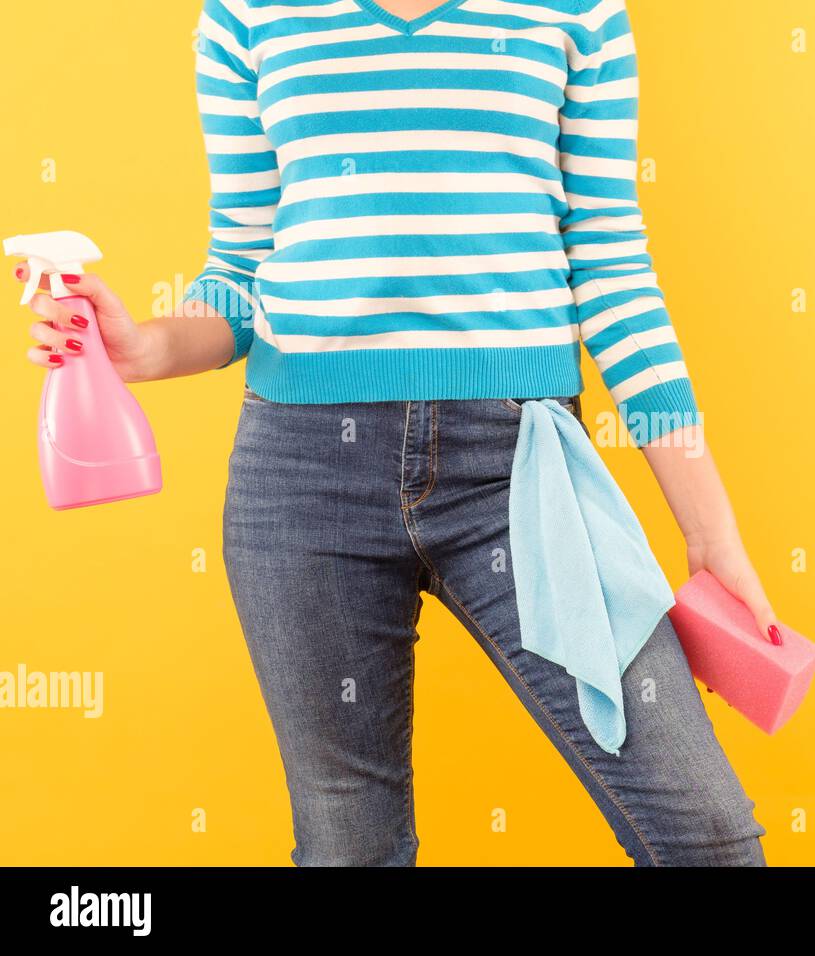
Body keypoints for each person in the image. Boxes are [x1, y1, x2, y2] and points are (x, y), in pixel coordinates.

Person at [19, 0, 775, 866]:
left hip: (519, 470)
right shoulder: (245, 15)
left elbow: (611, 262)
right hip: (302, 479)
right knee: (351, 846)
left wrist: (710, 532)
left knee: (706, 836)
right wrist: (145, 348)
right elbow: (242, 264)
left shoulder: (578, 12)